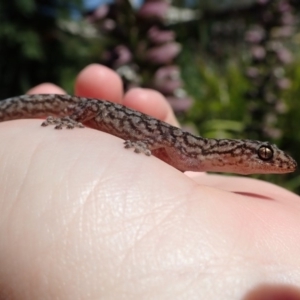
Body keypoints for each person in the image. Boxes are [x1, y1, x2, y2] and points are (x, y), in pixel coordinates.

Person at [1, 64, 299, 299]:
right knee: (92, 103)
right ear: (239, 153)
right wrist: (75, 120)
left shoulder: (192, 155)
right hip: (83, 111)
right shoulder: (188, 149)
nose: (270, 161)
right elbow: (160, 137)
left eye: (266, 155)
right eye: (264, 154)